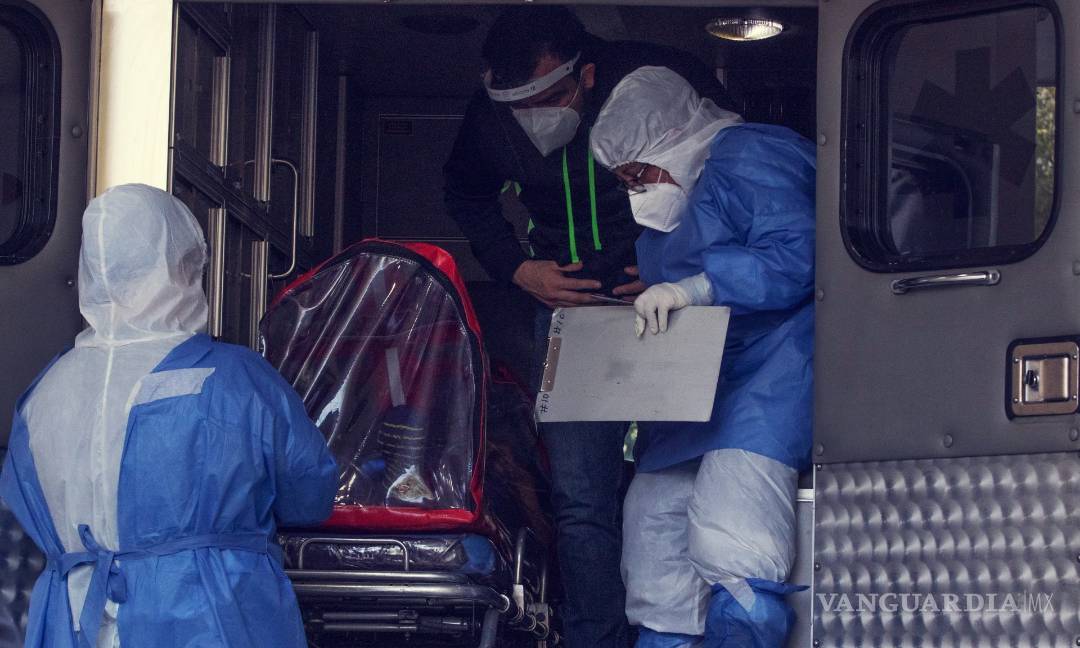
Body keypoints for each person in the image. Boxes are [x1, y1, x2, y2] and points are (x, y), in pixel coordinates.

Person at [444, 9, 736, 648]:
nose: (532, 115)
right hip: (569, 311)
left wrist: (676, 267)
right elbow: (465, 194)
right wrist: (518, 269)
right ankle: (596, 638)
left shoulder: (657, 78)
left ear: (588, 74)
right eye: (517, 105)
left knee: (686, 480)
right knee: (580, 500)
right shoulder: (490, 115)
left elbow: (727, 172)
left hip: (676, 306)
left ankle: (687, 634)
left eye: (548, 98)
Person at [0, 184, 338, 648]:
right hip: (209, 622)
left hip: (75, 623)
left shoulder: (44, 394)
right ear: (177, 268)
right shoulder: (235, 379)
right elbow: (310, 497)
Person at [590, 67, 815, 648]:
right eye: (624, 180)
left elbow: (798, 255)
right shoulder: (674, 205)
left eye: (639, 174)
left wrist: (695, 289)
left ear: (674, 138)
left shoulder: (750, 155)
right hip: (693, 385)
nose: (635, 191)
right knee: (652, 529)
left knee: (733, 533)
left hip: (770, 369)